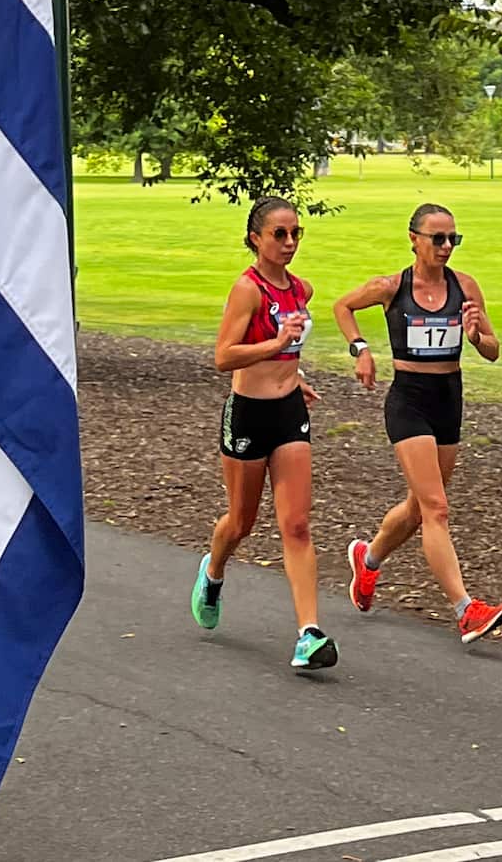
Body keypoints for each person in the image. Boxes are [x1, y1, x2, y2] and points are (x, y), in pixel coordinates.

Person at [333, 201, 502, 645]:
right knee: (437, 509)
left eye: (454, 238)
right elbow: (343, 306)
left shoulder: (465, 287)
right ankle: (466, 610)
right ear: (414, 239)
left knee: (417, 507)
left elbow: (492, 349)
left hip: (449, 400)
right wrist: (361, 350)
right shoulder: (392, 287)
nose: (447, 246)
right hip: (408, 401)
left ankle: (367, 561)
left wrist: (476, 336)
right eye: (438, 238)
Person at [190, 196, 339, 672]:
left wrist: (292, 374)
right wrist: (274, 345)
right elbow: (223, 356)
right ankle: (213, 572)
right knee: (242, 521)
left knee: (296, 524)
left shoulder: (302, 290)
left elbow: (289, 349)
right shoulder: (247, 290)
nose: (290, 242)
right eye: (280, 234)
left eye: (296, 233)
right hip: (248, 414)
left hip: (289, 413)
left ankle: (309, 634)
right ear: (256, 237)